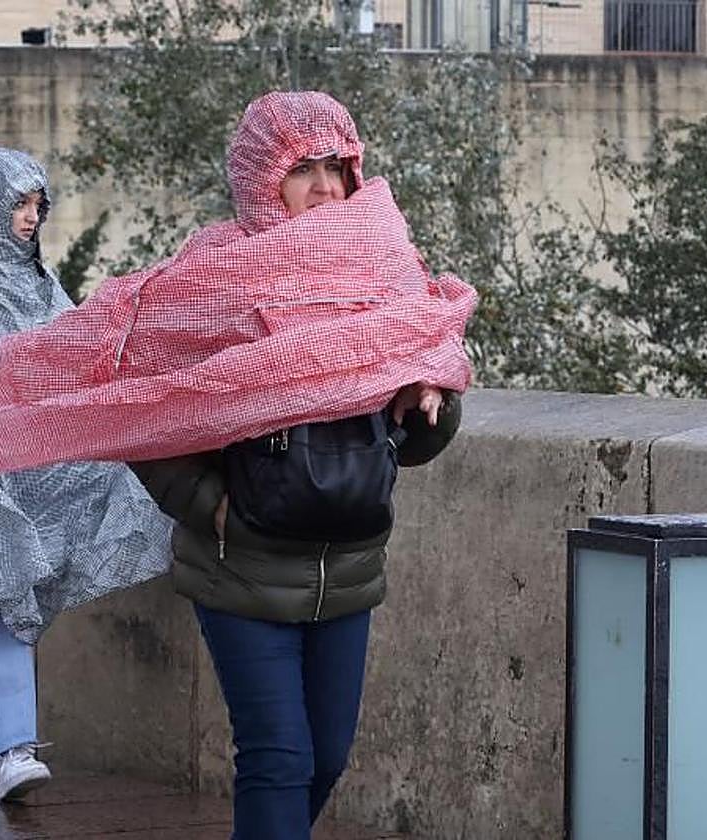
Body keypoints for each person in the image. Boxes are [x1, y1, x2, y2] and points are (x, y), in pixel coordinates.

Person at [127, 91, 464, 840]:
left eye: (336, 168)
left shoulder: (384, 275)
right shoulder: (213, 279)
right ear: (260, 180)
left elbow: (418, 443)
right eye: (301, 169)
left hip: (346, 568)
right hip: (241, 568)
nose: (325, 188)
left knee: (327, 759)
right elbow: (143, 416)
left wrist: (430, 389)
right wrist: (214, 506)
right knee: (277, 758)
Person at [0, 148, 172, 803]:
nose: (30, 217)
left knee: (4, 604)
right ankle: (13, 750)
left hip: (38, 477)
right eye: (19, 203)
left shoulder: (42, 285)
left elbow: (75, 353)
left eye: (37, 205)